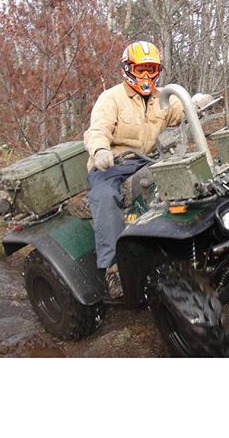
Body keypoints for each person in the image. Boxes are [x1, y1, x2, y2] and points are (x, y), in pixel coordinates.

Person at [83, 40, 184, 299]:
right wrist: (100, 151)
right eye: (141, 70)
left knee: (184, 173)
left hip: (148, 158)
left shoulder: (162, 97)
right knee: (105, 197)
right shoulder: (111, 98)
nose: (147, 76)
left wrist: (195, 102)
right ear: (128, 69)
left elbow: (182, 111)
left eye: (151, 69)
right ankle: (113, 267)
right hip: (112, 165)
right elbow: (97, 130)